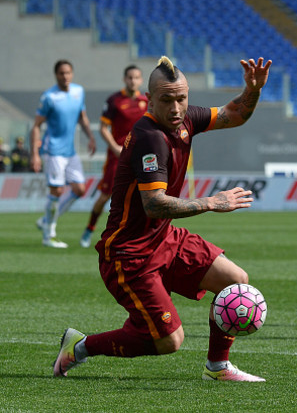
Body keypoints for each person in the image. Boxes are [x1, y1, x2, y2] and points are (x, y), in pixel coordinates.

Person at [53, 55, 272, 382]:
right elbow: (154, 204)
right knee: (169, 340)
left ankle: (218, 367)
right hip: (128, 255)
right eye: (166, 100)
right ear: (149, 100)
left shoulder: (187, 119)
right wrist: (212, 202)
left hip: (163, 239)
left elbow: (235, 113)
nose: (175, 107)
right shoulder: (149, 137)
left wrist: (252, 89)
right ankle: (79, 347)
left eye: (181, 98)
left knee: (235, 279)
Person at [80, 65, 148, 248]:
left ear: (141, 80)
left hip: (140, 157)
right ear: (124, 79)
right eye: (129, 77)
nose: (133, 80)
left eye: (136, 77)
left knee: (143, 196)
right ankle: (89, 229)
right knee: (105, 195)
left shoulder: (147, 101)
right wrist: (115, 147)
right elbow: (103, 128)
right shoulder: (114, 100)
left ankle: (138, 235)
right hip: (117, 156)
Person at [31, 59, 97, 248]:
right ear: (56, 75)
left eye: (68, 72)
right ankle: (48, 235)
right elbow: (36, 126)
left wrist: (90, 137)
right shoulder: (49, 97)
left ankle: (45, 219)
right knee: (57, 190)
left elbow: (82, 118)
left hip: (70, 151)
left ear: (72, 74)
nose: (65, 76)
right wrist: (35, 154)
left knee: (80, 189)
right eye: (61, 73)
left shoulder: (78, 92)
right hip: (53, 151)